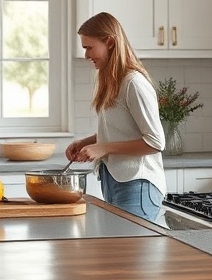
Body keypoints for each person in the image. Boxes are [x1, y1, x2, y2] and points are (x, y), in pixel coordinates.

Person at [66, 12, 167, 222]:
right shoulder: (113, 82)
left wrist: (104, 148)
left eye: (89, 47)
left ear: (110, 42)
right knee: (120, 252)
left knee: (130, 253)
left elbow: (155, 142)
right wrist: (87, 142)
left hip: (138, 185)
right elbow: (120, 129)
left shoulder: (134, 84)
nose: (86, 55)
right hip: (115, 181)